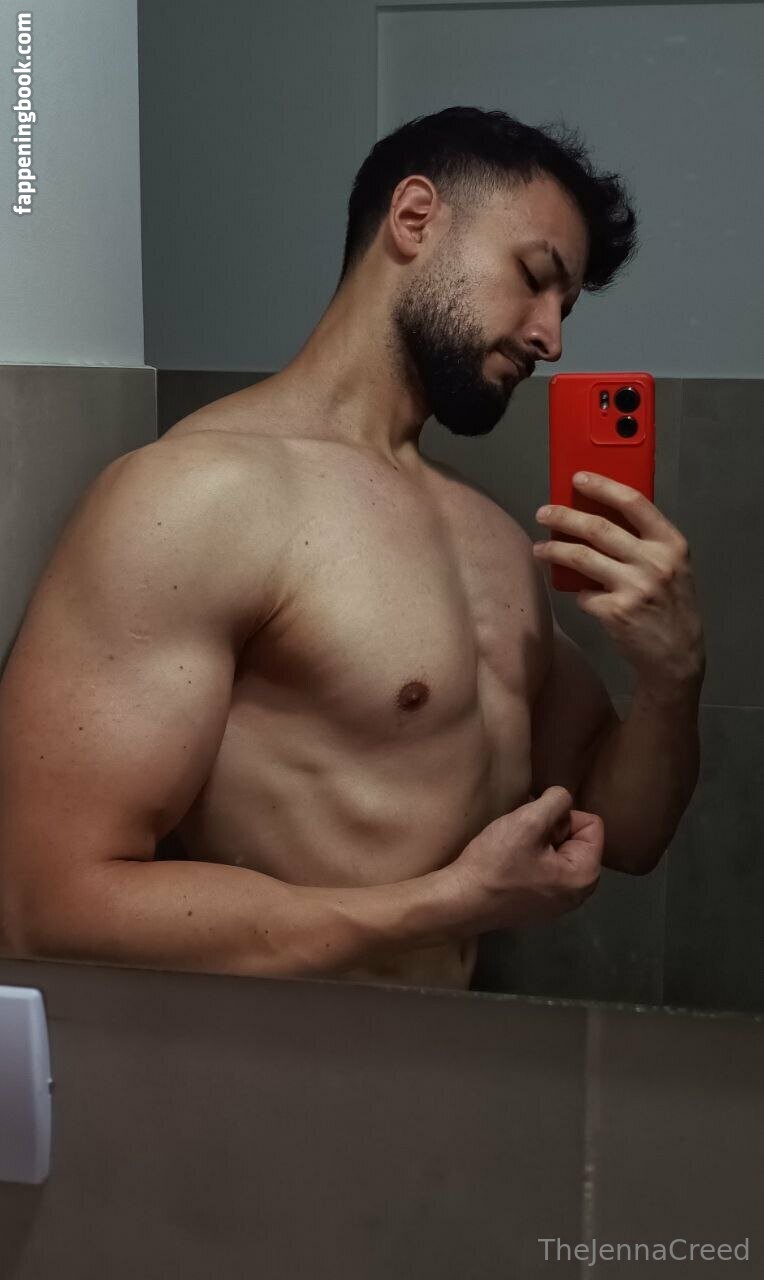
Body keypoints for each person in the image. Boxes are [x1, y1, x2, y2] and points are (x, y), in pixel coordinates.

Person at [0, 107, 641, 990]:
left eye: (563, 309)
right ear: (413, 218)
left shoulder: (488, 534)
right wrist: (453, 902)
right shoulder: (195, 498)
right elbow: (46, 906)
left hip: (442, 1062)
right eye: (534, 278)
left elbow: (626, 829)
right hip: (279, 1067)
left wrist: (675, 670)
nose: (550, 338)